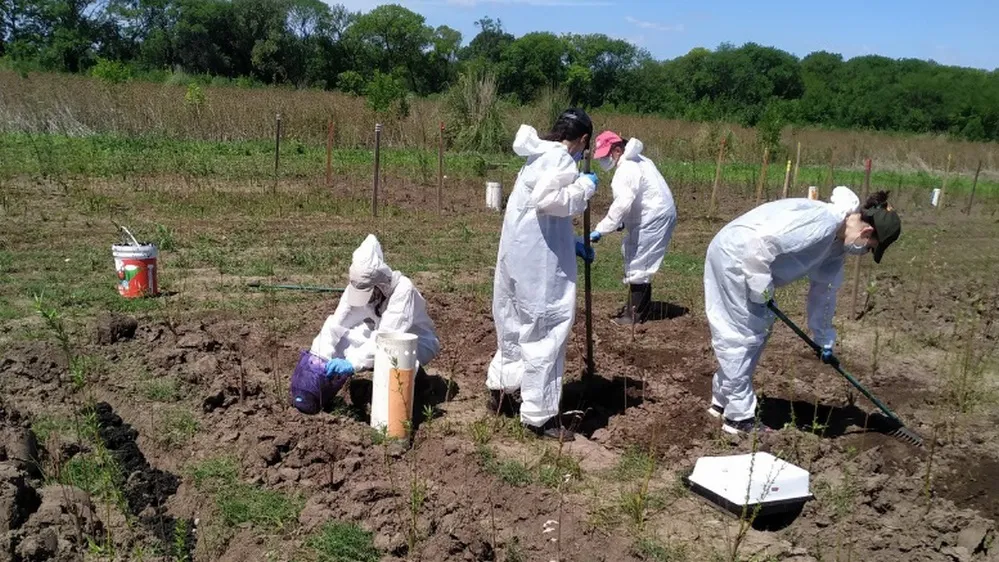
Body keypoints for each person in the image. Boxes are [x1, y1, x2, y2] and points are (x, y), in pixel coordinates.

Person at [704, 187, 901, 435]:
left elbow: (825, 292)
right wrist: (761, 287)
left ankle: (722, 400)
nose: (865, 251)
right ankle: (739, 418)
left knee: (757, 333)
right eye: (870, 247)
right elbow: (759, 245)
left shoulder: (836, 246)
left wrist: (823, 339)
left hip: (752, 266)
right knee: (742, 335)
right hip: (735, 257)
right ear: (867, 231)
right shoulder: (823, 221)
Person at [486, 108, 600, 441]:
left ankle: (502, 394)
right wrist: (584, 188)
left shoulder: (536, 157)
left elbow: (539, 216)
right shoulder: (561, 159)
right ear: (582, 140)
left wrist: (570, 243)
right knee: (546, 330)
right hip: (540, 267)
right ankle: (541, 416)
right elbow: (549, 200)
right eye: (584, 147)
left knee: (511, 327)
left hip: (517, 256)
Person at [310, 234, 440, 380]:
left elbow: (388, 337)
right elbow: (338, 323)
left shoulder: (403, 289)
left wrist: (353, 363)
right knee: (344, 342)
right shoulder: (357, 286)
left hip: (415, 341)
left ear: (380, 285)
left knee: (394, 358)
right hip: (379, 333)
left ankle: (420, 386)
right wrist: (319, 356)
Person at [589, 131, 678, 325]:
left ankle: (634, 316)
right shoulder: (641, 160)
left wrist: (602, 228)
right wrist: (621, 222)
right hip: (656, 214)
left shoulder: (626, 168)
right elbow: (638, 196)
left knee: (638, 261)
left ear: (618, 150)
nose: (604, 160)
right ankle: (639, 309)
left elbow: (623, 202)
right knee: (639, 259)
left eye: (606, 155)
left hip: (652, 217)